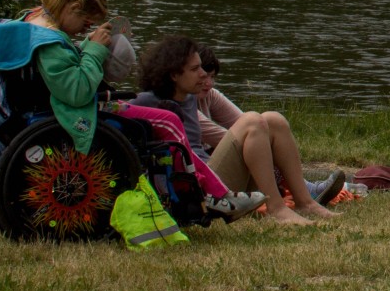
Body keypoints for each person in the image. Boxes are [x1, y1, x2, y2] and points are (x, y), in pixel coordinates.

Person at [0, 0, 262, 220]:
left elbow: (60, 76)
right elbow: (76, 91)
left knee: (152, 117)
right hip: (71, 112)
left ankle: (212, 190)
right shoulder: (49, 42)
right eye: (86, 22)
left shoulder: (30, 21)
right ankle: (209, 193)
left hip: (33, 112)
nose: (86, 28)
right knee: (167, 122)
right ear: (72, 7)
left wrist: (85, 46)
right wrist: (94, 51)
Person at [136, 34, 333, 225]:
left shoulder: (188, 98)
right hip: (195, 186)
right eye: (195, 69)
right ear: (174, 75)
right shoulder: (147, 102)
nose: (203, 74)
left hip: (211, 174)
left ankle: (306, 202)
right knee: (252, 121)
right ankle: (277, 208)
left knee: (274, 120)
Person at [193, 45, 344, 207]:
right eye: (204, 76)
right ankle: (283, 201)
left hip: (213, 168)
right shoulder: (181, 105)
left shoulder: (209, 95)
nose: (209, 83)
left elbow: (245, 122)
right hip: (205, 183)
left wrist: (267, 139)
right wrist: (261, 145)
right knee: (256, 139)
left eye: (212, 77)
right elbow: (229, 137)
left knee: (271, 121)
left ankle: (305, 192)